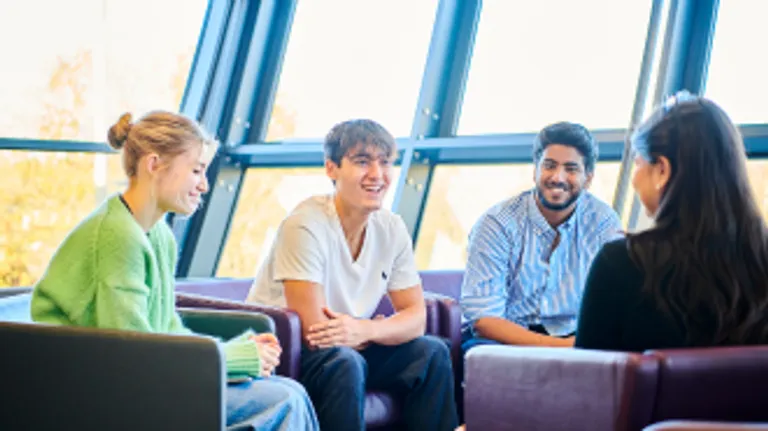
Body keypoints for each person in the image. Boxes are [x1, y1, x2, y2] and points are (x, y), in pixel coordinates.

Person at [31, 111, 319, 431]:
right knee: (283, 401)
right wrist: (236, 359)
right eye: (196, 171)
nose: (205, 185)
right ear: (154, 164)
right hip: (92, 390)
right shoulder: (117, 237)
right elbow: (133, 355)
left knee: (291, 391)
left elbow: (165, 331)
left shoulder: (158, 235)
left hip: (134, 380)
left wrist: (237, 356)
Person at [247, 119, 458, 431]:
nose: (377, 174)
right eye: (362, 162)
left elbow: (416, 318)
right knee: (344, 361)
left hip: (349, 344)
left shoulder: (391, 227)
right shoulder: (305, 224)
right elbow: (314, 331)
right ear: (331, 168)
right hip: (289, 352)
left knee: (431, 353)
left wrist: (365, 331)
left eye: (385, 162)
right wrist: (376, 329)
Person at [575, 92, 768, 352]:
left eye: (638, 164)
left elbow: (587, 381)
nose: (634, 179)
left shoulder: (622, 263)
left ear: (662, 170)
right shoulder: (760, 260)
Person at [460, 121, 623, 352]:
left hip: (574, 335)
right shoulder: (496, 223)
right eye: (549, 165)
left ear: (588, 178)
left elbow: (612, 305)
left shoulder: (603, 222)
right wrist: (560, 348)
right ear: (535, 169)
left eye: (571, 169)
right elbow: (484, 320)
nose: (558, 177)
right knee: (479, 351)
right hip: (505, 338)